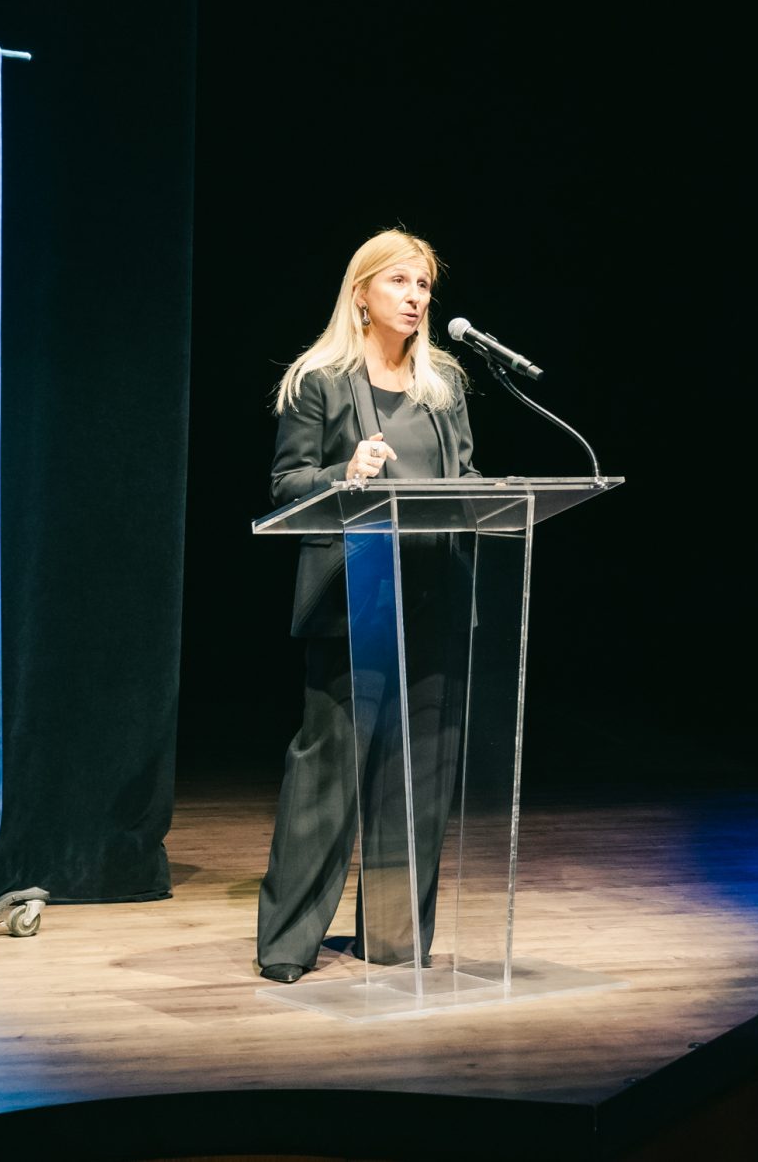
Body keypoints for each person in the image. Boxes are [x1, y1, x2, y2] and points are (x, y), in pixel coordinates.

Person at [255, 228, 504, 983]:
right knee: (327, 779)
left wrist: (493, 495)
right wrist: (344, 472)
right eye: (400, 281)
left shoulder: (446, 384)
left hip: (437, 596)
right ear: (361, 291)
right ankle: (288, 943)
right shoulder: (319, 380)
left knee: (419, 779)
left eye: (424, 285)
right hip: (353, 599)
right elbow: (287, 486)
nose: (416, 297)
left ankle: (396, 941)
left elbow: (463, 475)